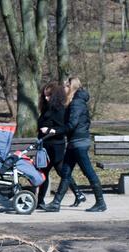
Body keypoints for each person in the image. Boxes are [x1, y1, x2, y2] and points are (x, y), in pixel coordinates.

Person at [44, 76, 106, 212]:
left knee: (88, 172)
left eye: (66, 85)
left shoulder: (76, 103)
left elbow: (72, 125)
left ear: (71, 87)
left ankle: (101, 203)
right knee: (66, 173)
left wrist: (54, 130)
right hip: (74, 143)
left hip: (79, 143)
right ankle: (56, 203)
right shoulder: (74, 102)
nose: (64, 88)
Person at [36, 81, 86, 209]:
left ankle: (41, 201)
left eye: (49, 96)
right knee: (50, 172)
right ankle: (78, 194)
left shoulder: (59, 110)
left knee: (53, 172)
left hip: (55, 146)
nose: (46, 98)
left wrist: (47, 130)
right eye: (45, 95)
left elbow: (61, 129)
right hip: (46, 145)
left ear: (55, 96)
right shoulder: (46, 108)